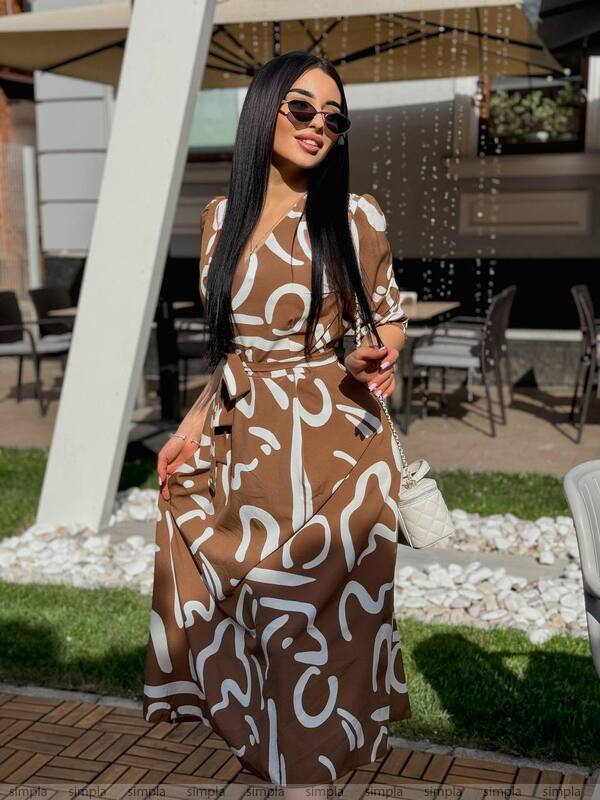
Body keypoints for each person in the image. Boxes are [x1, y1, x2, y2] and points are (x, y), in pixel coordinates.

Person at [142, 50, 411, 795]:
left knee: (312, 636)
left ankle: (306, 784)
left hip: (334, 457)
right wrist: (191, 426)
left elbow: (388, 319)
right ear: (263, 110)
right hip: (247, 459)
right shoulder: (218, 220)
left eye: (333, 117)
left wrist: (373, 356)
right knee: (259, 628)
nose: (317, 126)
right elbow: (230, 350)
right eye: (300, 108)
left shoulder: (356, 217)